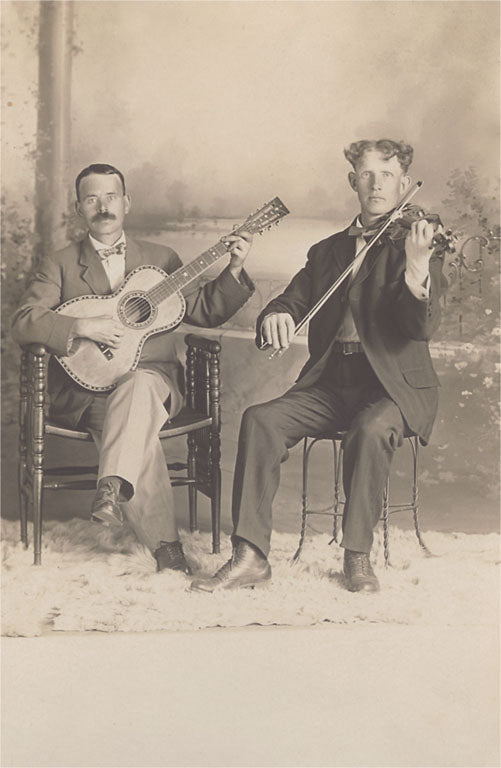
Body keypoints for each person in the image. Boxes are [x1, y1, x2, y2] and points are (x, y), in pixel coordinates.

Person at [191, 138, 447, 594]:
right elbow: (292, 298)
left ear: (404, 182)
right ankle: (250, 555)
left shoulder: (415, 245)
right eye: (367, 175)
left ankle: (357, 554)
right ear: (353, 181)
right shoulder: (326, 252)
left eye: (387, 175)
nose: (376, 185)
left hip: (391, 387)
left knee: (370, 429)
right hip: (332, 382)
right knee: (261, 420)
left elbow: (419, 327)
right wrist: (276, 315)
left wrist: (416, 268)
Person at [12, 163, 254, 575]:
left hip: (156, 381)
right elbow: (23, 320)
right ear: (79, 208)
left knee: (139, 387)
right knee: (134, 419)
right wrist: (81, 326)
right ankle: (166, 547)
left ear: (127, 202)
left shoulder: (161, 259)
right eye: (92, 199)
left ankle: (112, 488)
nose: (103, 206)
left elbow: (203, 311)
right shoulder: (60, 263)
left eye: (111, 196)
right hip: (90, 389)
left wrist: (233, 268)